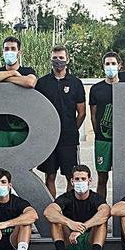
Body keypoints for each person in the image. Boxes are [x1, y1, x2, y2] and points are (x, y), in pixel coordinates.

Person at [35, 45, 86, 197]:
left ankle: (68, 209)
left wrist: (71, 129)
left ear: (67, 60)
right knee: (50, 176)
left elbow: (82, 112)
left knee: (71, 176)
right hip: (48, 138)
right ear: (51, 59)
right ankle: (52, 208)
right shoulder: (42, 83)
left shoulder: (76, 83)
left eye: (61, 58)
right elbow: (37, 109)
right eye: (55, 58)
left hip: (68, 139)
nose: (58, 61)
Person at [44, 165, 111, 250]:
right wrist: (69, 223)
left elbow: (106, 212)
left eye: (83, 179)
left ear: (89, 180)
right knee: (56, 220)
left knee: (102, 221)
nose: (80, 182)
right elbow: (48, 212)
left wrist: (82, 228)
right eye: (77, 179)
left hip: (89, 241)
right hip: (69, 240)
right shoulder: (66, 197)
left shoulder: (96, 198)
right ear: (72, 181)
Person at [0, 36, 38, 148]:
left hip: (22, 129)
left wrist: (2, 79)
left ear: (19, 52)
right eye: (6, 49)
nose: (9, 52)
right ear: (2, 52)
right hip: (1, 129)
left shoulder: (27, 71)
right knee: (1, 164)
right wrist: (13, 74)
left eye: (13, 49)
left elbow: (30, 82)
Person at [89, 52, 121, 194]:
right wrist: (99, 134)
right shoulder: (96, 89)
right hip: (103, 140)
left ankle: (121, 212)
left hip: (122, 141)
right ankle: (102, 210)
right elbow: (93, 116)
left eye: (113, 63)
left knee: (122, 178)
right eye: (107, 64)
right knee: (102, 178)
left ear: (119, 66)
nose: (110, 66)